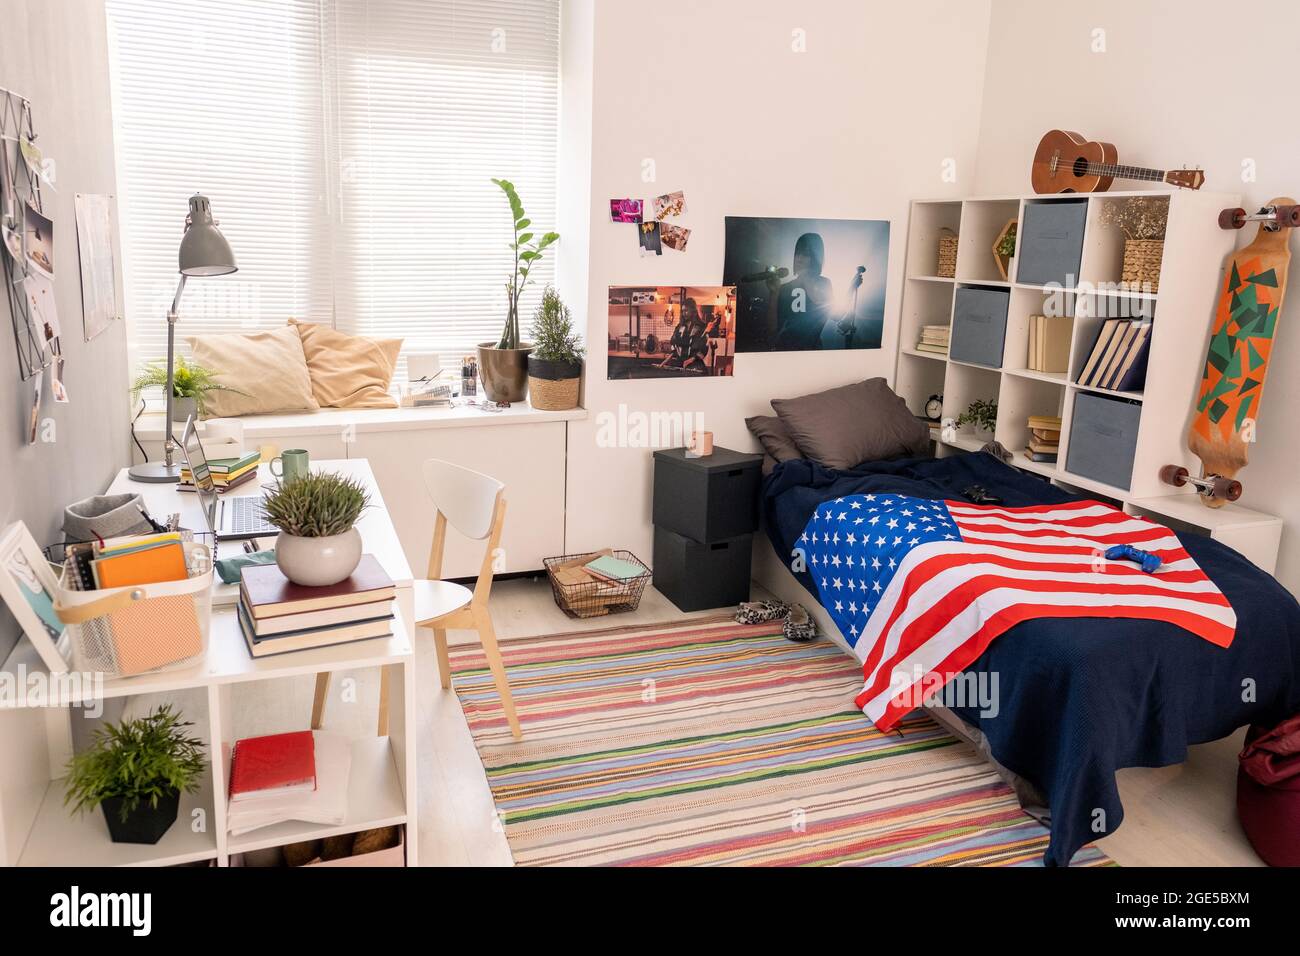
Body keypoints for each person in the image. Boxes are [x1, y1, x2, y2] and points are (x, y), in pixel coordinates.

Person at [764, 232, 864, 350]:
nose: (799, 257)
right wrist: (773, 292)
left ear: (816, 257)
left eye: (806, 254)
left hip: (812, 350)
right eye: (798, 253)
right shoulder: (785, 288)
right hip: (786, 349)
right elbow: (772, 330)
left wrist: (851, 288)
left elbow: (837, 315)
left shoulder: (824, 283)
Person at [658, 298, 708, 372]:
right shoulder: (680, 327)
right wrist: (665, 362)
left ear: (693, 311)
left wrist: (691, 360)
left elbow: (704, 348)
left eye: (686, 311)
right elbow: (674, 344)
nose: (684, 313)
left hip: (695, 366)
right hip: (680, 365)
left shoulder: (702, 327)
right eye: (682, 311)